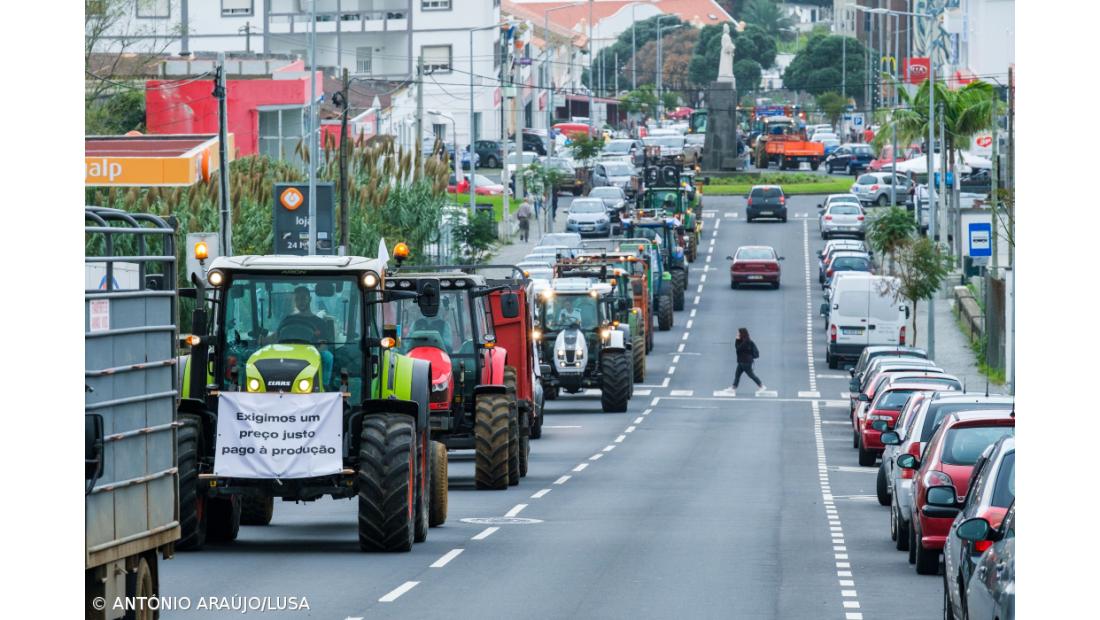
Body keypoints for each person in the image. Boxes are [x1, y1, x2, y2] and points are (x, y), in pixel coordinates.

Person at [731, 327, 765, 394]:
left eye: (738, 333)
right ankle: (733, 387)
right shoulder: (744, 340)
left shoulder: (746, 341)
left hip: (746, 362)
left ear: (742, 333)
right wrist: (738, 340)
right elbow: (738, 347)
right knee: (737, 374)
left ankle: (762, 386)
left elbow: (738, 348)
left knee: (751, 375)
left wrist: (737, 339)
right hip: (742, 361)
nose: (737, 334)